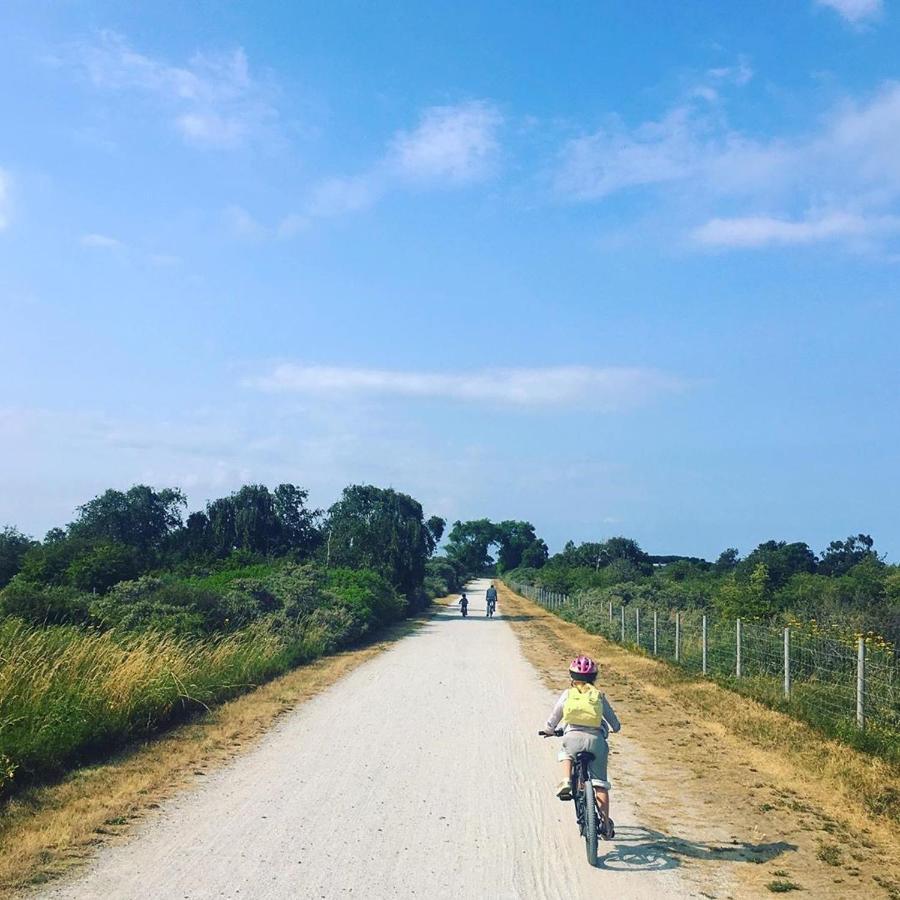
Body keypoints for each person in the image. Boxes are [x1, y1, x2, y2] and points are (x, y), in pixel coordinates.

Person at [539, 655, 620, 839]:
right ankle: (606, 825)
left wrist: (549, 730)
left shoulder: (568, 695)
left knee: (566, 752)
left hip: (572, 738)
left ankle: (567, 780)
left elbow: (555, 716)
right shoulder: (599, 696)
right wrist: (614, 728)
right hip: (596, 740)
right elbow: (614, 723)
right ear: (594, 678)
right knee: (600, 784)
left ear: (571, 677)